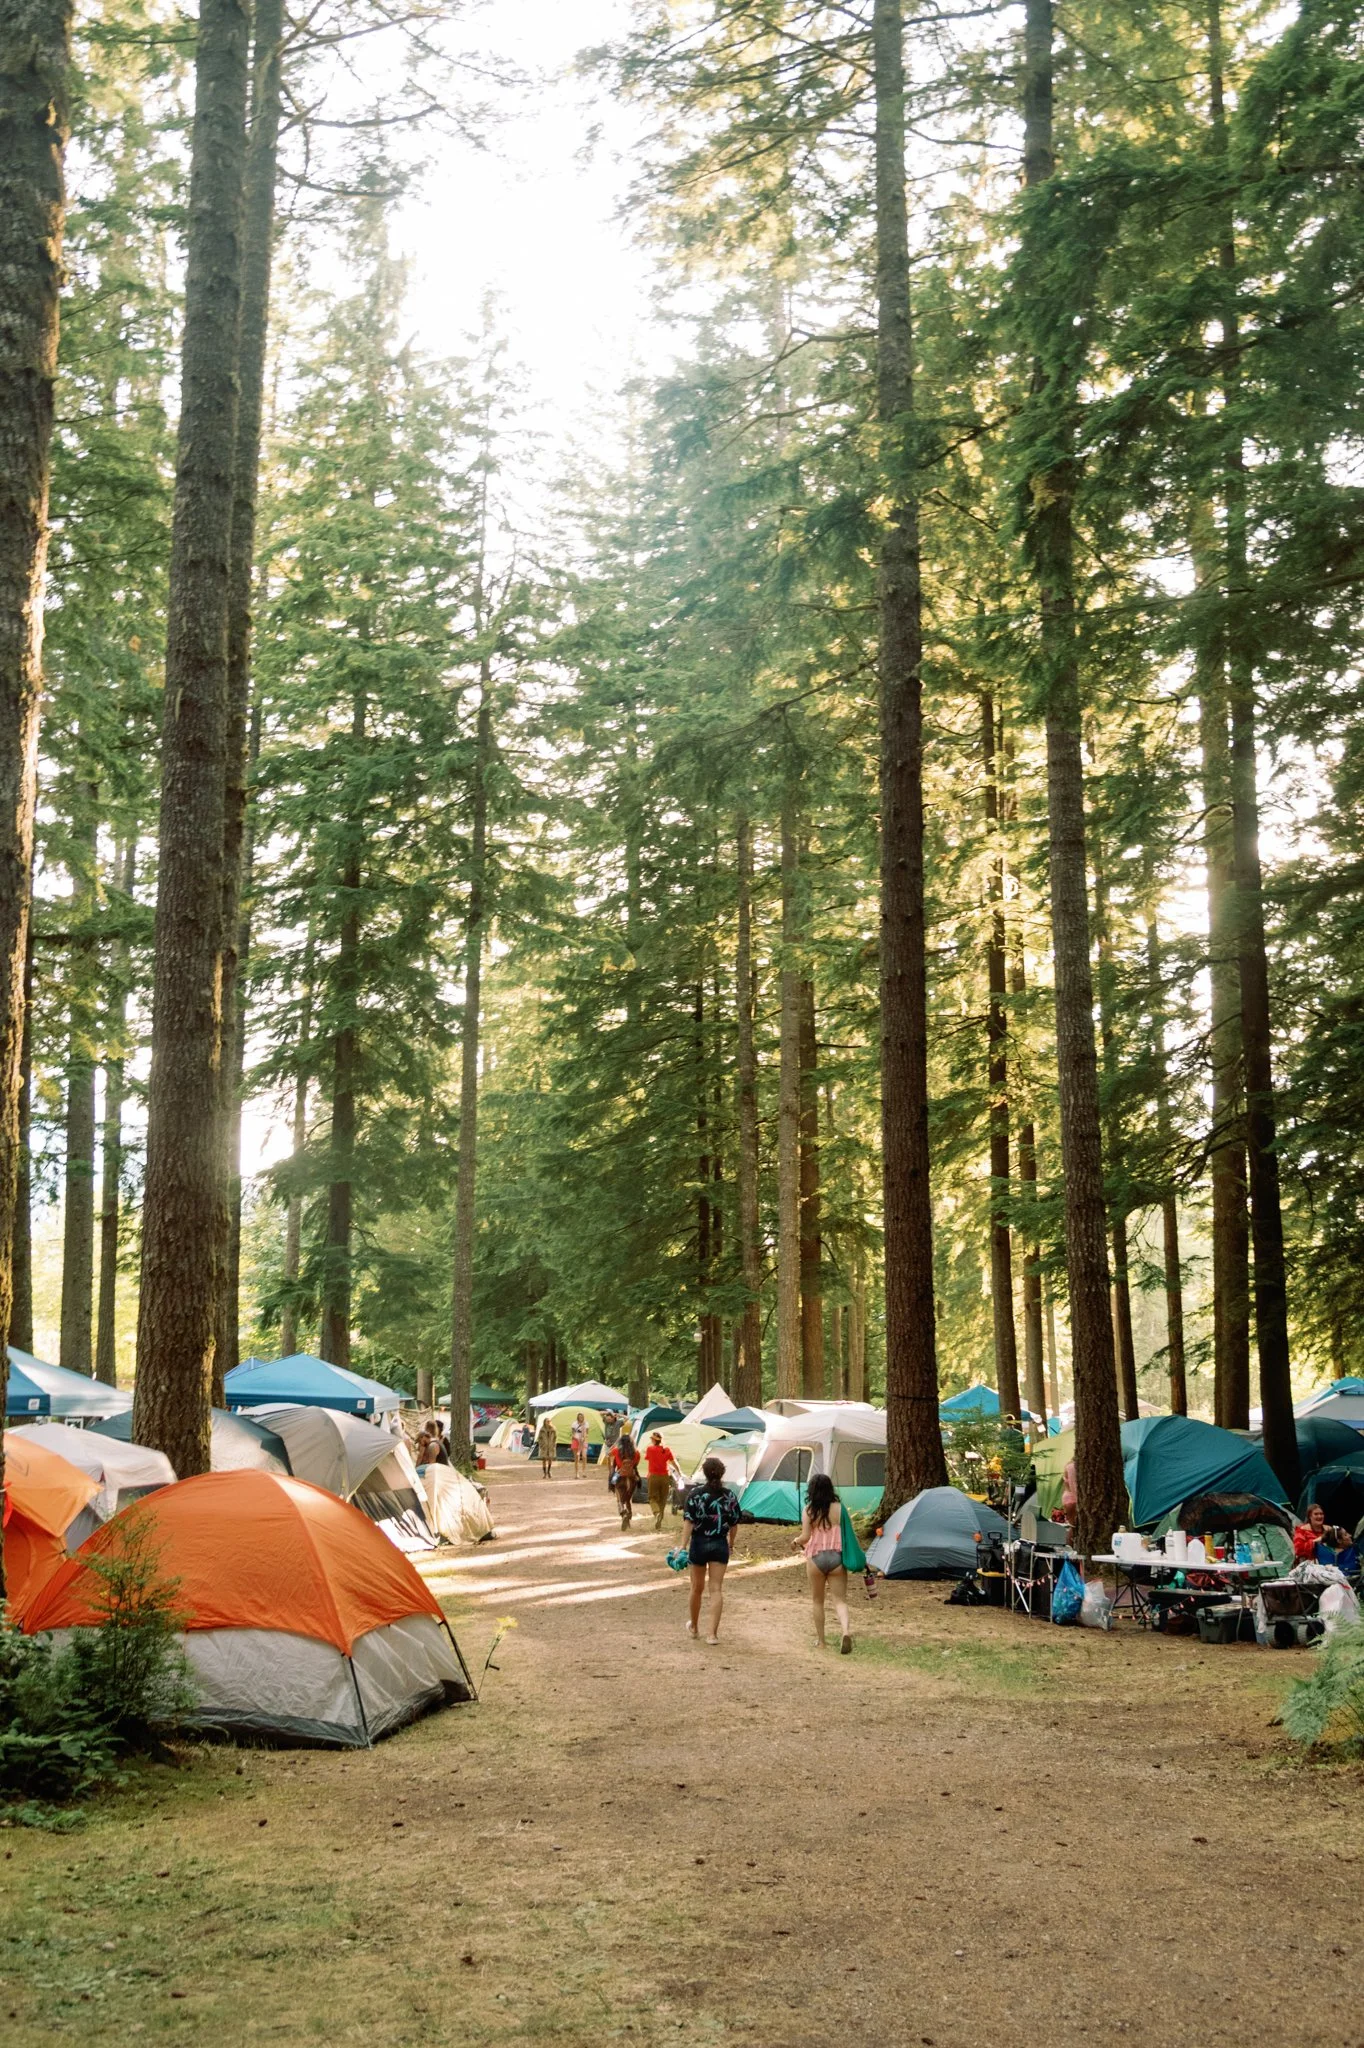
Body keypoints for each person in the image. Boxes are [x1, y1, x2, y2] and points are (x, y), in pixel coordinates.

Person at [682, 1456, 741, 1645]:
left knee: (696, 1588)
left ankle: (694, 1627)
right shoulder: (730, 1495)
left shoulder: (695, 1494)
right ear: (722, 1473)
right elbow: (734, 1524)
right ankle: (712, 1635)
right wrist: (731, 1544)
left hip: (698, 1543)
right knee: (716, 1589)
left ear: (704, 1472)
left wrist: (682, 1546)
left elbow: (689, 1521)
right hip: (719, 1544)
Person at [793, 1472, 852, 1654]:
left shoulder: (809, 1510)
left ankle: (821, 1641)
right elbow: (849, 1533)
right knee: (840, 1600)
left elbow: (805, 1537)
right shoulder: (839, 1509)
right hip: (837, 1558)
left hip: (816, 1558)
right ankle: (845, 1632)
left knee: (817, 1601)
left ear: (811, 1490)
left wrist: (795, 1541)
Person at [643, 1432, 681, 1532]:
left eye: (652, 1439)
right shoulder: (667, 1450)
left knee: (652, 1498)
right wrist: (679, 1473)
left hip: (653, 1477)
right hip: (665, 1477)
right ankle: (660, 1520)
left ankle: (656, 1513)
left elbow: (647, 1458)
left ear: (654, 1440)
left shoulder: (650, 1449)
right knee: (663, 1499)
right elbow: (674, 1462)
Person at [611, 1431, 641, 1527]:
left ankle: (623, 1511)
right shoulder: (636, 1452)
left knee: (613, 1482)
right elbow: (636, 1464)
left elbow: (609, 1455)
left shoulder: (616, 1450)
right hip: (632, 1475)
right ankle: (628, 1514)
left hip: (619, 1473)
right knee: (628, 1498)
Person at [570, 1412, 590, 1478]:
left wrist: (584, 1438)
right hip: (576, 1441)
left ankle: (584, 1472)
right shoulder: (574, 1424)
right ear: (577, 1417)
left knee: (584, 1456)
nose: (580, 1418)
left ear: (583, 1417)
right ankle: (577, 1473)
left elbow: (587, 1433)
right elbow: (573, 1433)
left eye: (581, 1416)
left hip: (584, 1441)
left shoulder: (586, 1424)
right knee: (576, 1457)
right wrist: (576, 1438)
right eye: (579, 1417)